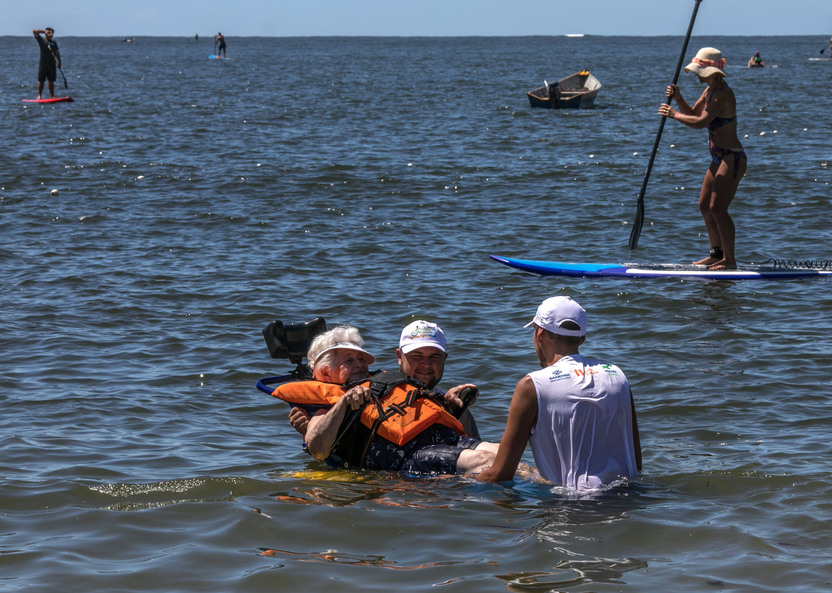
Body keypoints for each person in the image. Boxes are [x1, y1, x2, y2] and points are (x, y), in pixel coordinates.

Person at [283, 325, 497, 476]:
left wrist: (449, 405)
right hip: (409, 455)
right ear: (326, 373)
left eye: (361, 358)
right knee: (484, 461)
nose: (359, 364)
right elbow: (318, 449)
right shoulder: (325, 405)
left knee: (501, 451)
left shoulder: (383, 384)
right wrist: (343, 403)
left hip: (440, 438)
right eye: (349, 360)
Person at [478, 296, 641, 491]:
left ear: (539, 334)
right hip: (629, 497)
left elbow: (500, 475)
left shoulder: (532, 385)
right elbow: (635, 462)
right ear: (582, 338)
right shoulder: (617, 375)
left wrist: (457, 481)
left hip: (572, 504)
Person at [658, 47, 747, 270]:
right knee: (704, 206)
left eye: (699, 71)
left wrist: (673, 114)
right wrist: (678, 99)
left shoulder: (723, 94)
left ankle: (730, 260)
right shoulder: (709, 90)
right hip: (717, 158)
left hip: (732, 158)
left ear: (711, 72)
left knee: (718, 207)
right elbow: (694, 114)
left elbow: (699, 123)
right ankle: (716, 254)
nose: (696, 75)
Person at [32, 28, 62, 100]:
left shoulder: (53, 42)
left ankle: (52, 96)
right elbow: (34, 31)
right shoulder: (42, 40)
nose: (51, 34)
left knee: (51, 80)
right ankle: (39, 96)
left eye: (52, 33)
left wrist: (59, 62)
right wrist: (44, 31)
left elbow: (57, 53)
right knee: (41, 80)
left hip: (52, 64)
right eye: (49, 32)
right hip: (43, 63)